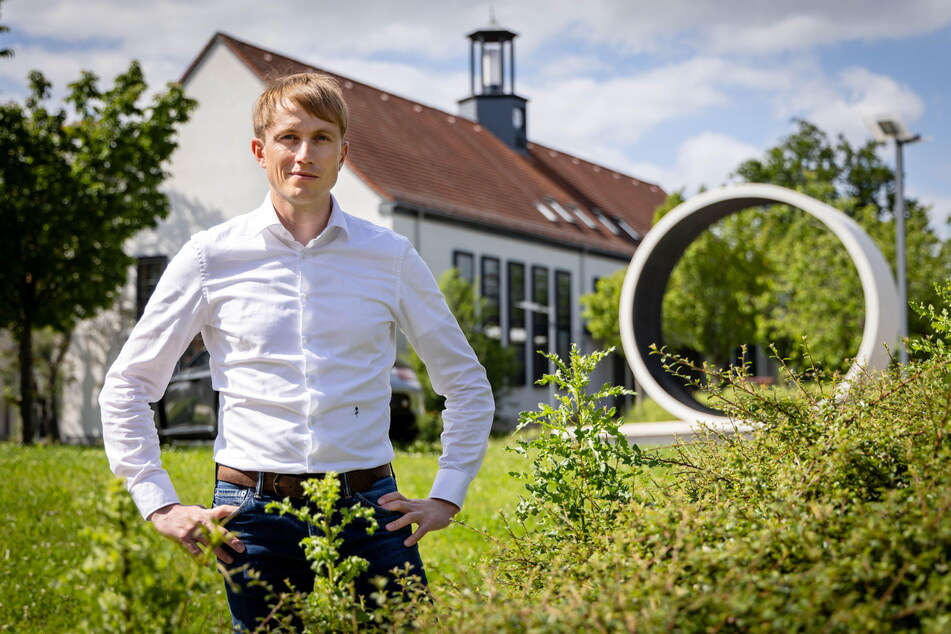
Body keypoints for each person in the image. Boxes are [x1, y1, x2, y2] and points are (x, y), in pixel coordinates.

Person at [99, 72, 494, 631]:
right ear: (261, 151)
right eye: (288, 137)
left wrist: (447, 495)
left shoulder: (391, 257)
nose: (303, 153)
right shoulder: (210, 256)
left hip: (370, 505)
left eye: (321, 137)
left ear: (343, 154)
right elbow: (129, 385)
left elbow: (466, 384)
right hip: (251, 512)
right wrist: (158, 502)